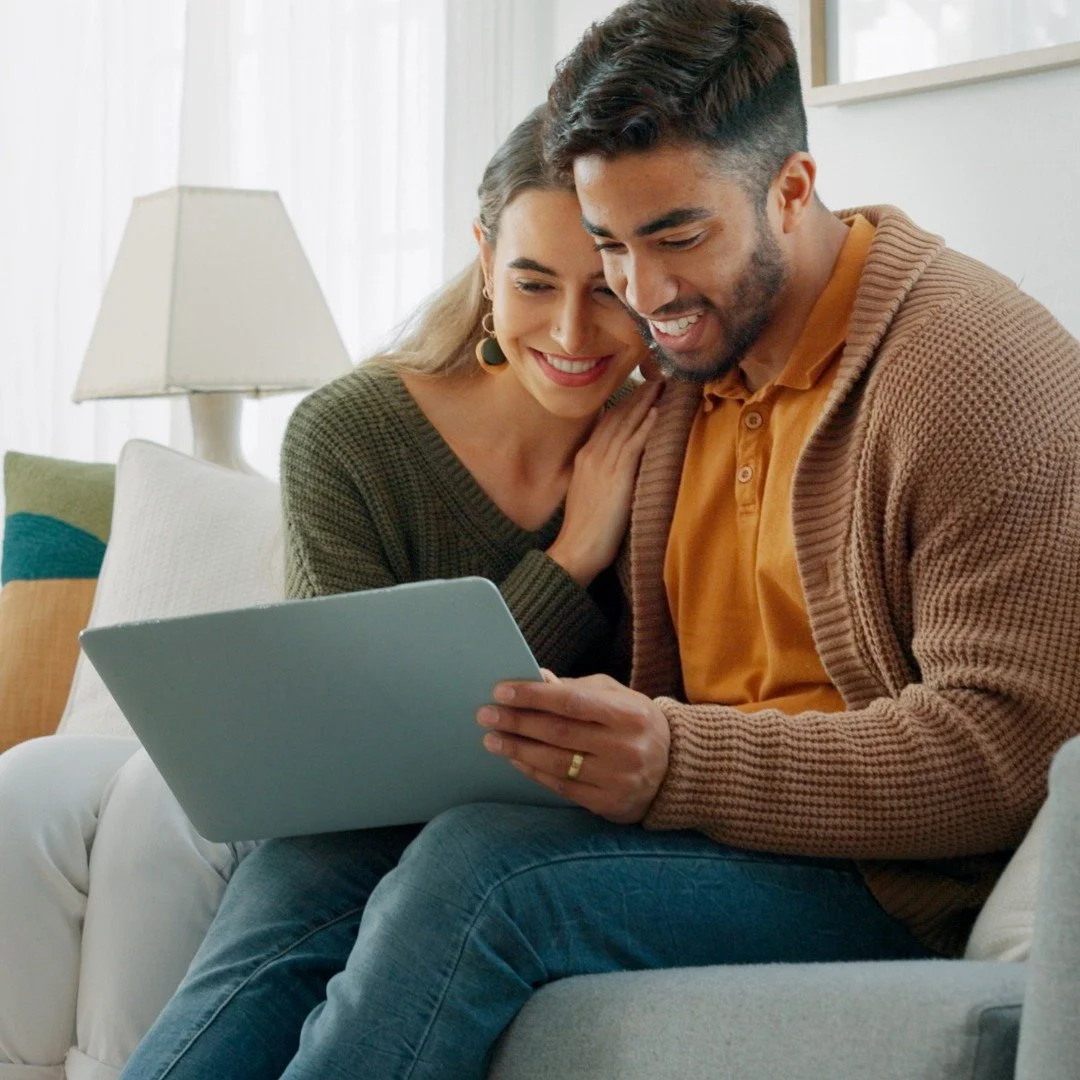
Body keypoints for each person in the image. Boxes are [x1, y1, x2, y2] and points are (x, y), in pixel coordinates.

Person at [121, 2, 1080, 1079]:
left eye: (678, 236)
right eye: (612, 244)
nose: (643, 294)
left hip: (881, 875)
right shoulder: (685, 367)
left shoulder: (973, 372)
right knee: (312, 863)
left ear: (794, 188)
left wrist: (678, 758)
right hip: (707, 834)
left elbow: (1011, 752)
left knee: (482, 871)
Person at [1, 107, 655, 1080]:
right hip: (354, 820)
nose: (570, 330)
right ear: (483, 261)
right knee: (264, 864)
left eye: (605, 292)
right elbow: (353, 748)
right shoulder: (349, 435)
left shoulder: (671, 434)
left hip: (558, 819)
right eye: (532, 282)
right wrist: (569, 561)